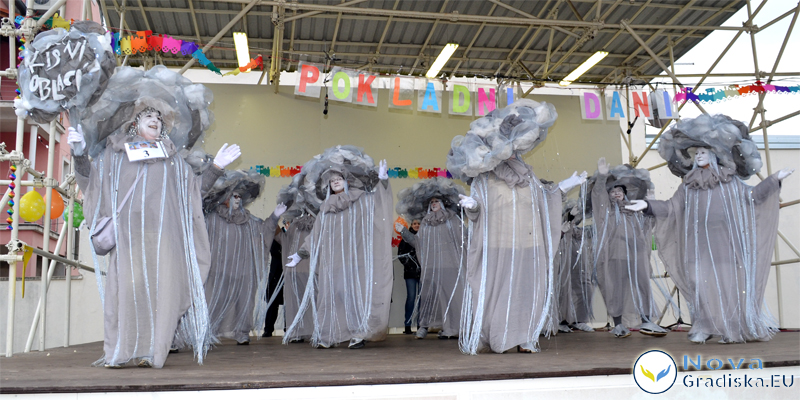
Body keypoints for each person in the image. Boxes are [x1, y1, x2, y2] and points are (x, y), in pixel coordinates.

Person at [66, 66, 240, 368]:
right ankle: (121, 352)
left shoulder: (174, 162)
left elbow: (192, 194)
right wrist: (80, 154)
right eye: (149, 115)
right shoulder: (115, 155)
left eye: (159, 117)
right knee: (126, 295)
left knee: (161, 297)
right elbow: (92, 184)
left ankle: (153, 352)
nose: (155, 120)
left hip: (164, 243)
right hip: (129, 242)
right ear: (135, 122)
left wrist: (216, 168)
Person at [626, 114, 794, 344]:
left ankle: (730, 328)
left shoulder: (729, 181)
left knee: (727, 284)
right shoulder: (689, 185)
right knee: (698, 282)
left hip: (725, 244)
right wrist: (647, 205)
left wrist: (774, 180)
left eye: (704, 151)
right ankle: (704, 325)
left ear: (715, 153)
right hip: (698, 245)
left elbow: (752, 196)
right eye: (696, 152)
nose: (699, 155)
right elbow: (672, 207)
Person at [448, 99, 587, 354]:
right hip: (498, 245)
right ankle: (496, 334)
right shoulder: (485, 178)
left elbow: (544, 199)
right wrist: (472, 206)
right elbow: (479, 209)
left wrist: (566, 185)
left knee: (527, 291)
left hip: (528, 244)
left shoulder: (527, 177)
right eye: (508, 144)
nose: (513, 151)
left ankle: (525, 337)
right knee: (497, 292)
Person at [284, 146, 393, 349]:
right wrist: (300, 254)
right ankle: (328, 335)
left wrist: (383, 181)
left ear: (346, 180)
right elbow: (316, 235)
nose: (335, 181)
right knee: (331, 296)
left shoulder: (361, 200)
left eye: (339, 178)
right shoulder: (326, 209)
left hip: (355, 262)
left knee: (355, 296)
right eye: (331, 180)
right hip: (332, 263)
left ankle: (359, 334)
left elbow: (380, 204)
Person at [202, 169, 287, 345]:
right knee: (215, 300)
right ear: (225, 197)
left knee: (244, 302)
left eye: (239, 196)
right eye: (233, 196)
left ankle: (242, 333)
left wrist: (274, 218)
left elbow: (264, 232)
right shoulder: (213, 219)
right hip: (219, 271)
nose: (237, 199)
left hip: (243, 271)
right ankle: (209, 332)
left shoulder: (249, 221)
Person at [592, 159, 667, 338]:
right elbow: (598, 194)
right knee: (616, 290)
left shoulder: (634, 211)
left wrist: (651, 202)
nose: (617, 193)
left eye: (620, 190)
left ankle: (647, 321)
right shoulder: (605, 212)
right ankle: (618, 325)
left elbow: (648, 225)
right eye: (613, 191)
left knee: (643, 286)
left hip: (636, 256)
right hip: (615, 257)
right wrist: (602, 176)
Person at [395, 178, 466, 340]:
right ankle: (424, 326)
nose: (434, 204)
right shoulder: (426, 223)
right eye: (432, 202)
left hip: (451, 267)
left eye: (436, 201)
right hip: (433, 268)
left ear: (442, 203)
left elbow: (464, 238)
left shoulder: (453, 219)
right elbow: (417, 243)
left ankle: (452, 328)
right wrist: (404, 232)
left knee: (452, 298)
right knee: (429, 296)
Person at [556, 201, 595, 333]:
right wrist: (569, 217)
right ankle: (561, 320)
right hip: (562, 259)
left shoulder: (579, 232)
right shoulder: (561, 228)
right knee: (563, 288)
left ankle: (580, 320)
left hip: (578, 261)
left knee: (585, 287)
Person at [397, 219, 421, 334]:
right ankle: (408, 325)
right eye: (415, 223)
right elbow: (401, 255)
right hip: (410, 273)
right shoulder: (405, 239)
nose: (417, 225)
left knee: (421, 299)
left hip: (422, 273)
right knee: (411, 298)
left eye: (419, 223)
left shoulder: (424, 237)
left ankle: (421, 325)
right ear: (411, 225)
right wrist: (411, 265)